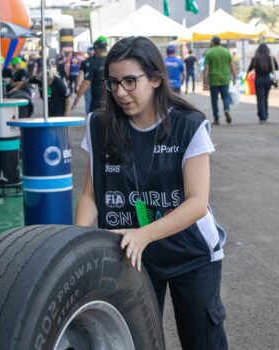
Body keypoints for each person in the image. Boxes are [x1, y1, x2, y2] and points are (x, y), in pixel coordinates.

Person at [75, 36, 227, 350]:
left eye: (131, 81)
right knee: (136, 340)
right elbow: (91, 195)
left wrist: (144, 233)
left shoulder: (189, 125)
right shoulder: (99, 125)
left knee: (203, 340)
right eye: (113, 83)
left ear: (155, 78)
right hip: (131, 253)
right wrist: (77, 244)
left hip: (191, 252)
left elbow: (197, 203)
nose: (120, 92)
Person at [203, 36, 236, 125]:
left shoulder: (209, 53)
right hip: (225, 79)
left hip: (214, 79)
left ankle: (216, 118)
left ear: (213, 42)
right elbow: (232, 65)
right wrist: (234, 76)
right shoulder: (226, 52)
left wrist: (205, 81)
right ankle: (226, 109)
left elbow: (206, 68)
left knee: (214, 99)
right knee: (225, 97)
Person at [72, 37, 107, 113]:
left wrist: (77, 98)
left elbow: (86, 82)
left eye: (94, 49)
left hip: (97, 96)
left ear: (98, 50)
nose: (94, 52)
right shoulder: (113, 60)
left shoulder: (93, 62)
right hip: (110, 94)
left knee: (94, 116)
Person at [246, 43, 279, 123]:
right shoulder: (270, 58)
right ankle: (266, 115)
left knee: (260, 99)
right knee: (265, 98)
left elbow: (250, 68)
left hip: (258, 79)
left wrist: (246, 76)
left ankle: (262, 117)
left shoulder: (255, 58)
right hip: (267, 79)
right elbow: (276, 67)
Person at [78, 46, 94, 114]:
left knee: (88, 101)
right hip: (92, 84)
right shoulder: (100, 61)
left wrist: (78, 85)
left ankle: (89, 116)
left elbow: (81, 74)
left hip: (88, 84)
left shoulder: (84, 62)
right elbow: (81, 73)